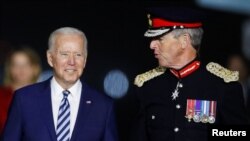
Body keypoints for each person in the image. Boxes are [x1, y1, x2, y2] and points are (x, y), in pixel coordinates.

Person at [131, 7, 248, 141]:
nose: (152, 45)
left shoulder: (222, 87)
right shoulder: (148, 87)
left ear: (184, 41)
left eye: (160, 39)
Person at [1, 27, 118, 141]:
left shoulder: (103, 106)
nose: (72, 62)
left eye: (78, 54)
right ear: (50, 58)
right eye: (64, 54)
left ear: (85, 60)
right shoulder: (24, 99)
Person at [0, 47, 41, 135]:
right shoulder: (1, 95)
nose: (21, 69)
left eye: (26, 64)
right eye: (16, 65)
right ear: (9, 69)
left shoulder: (47, 95)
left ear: (35, 68)